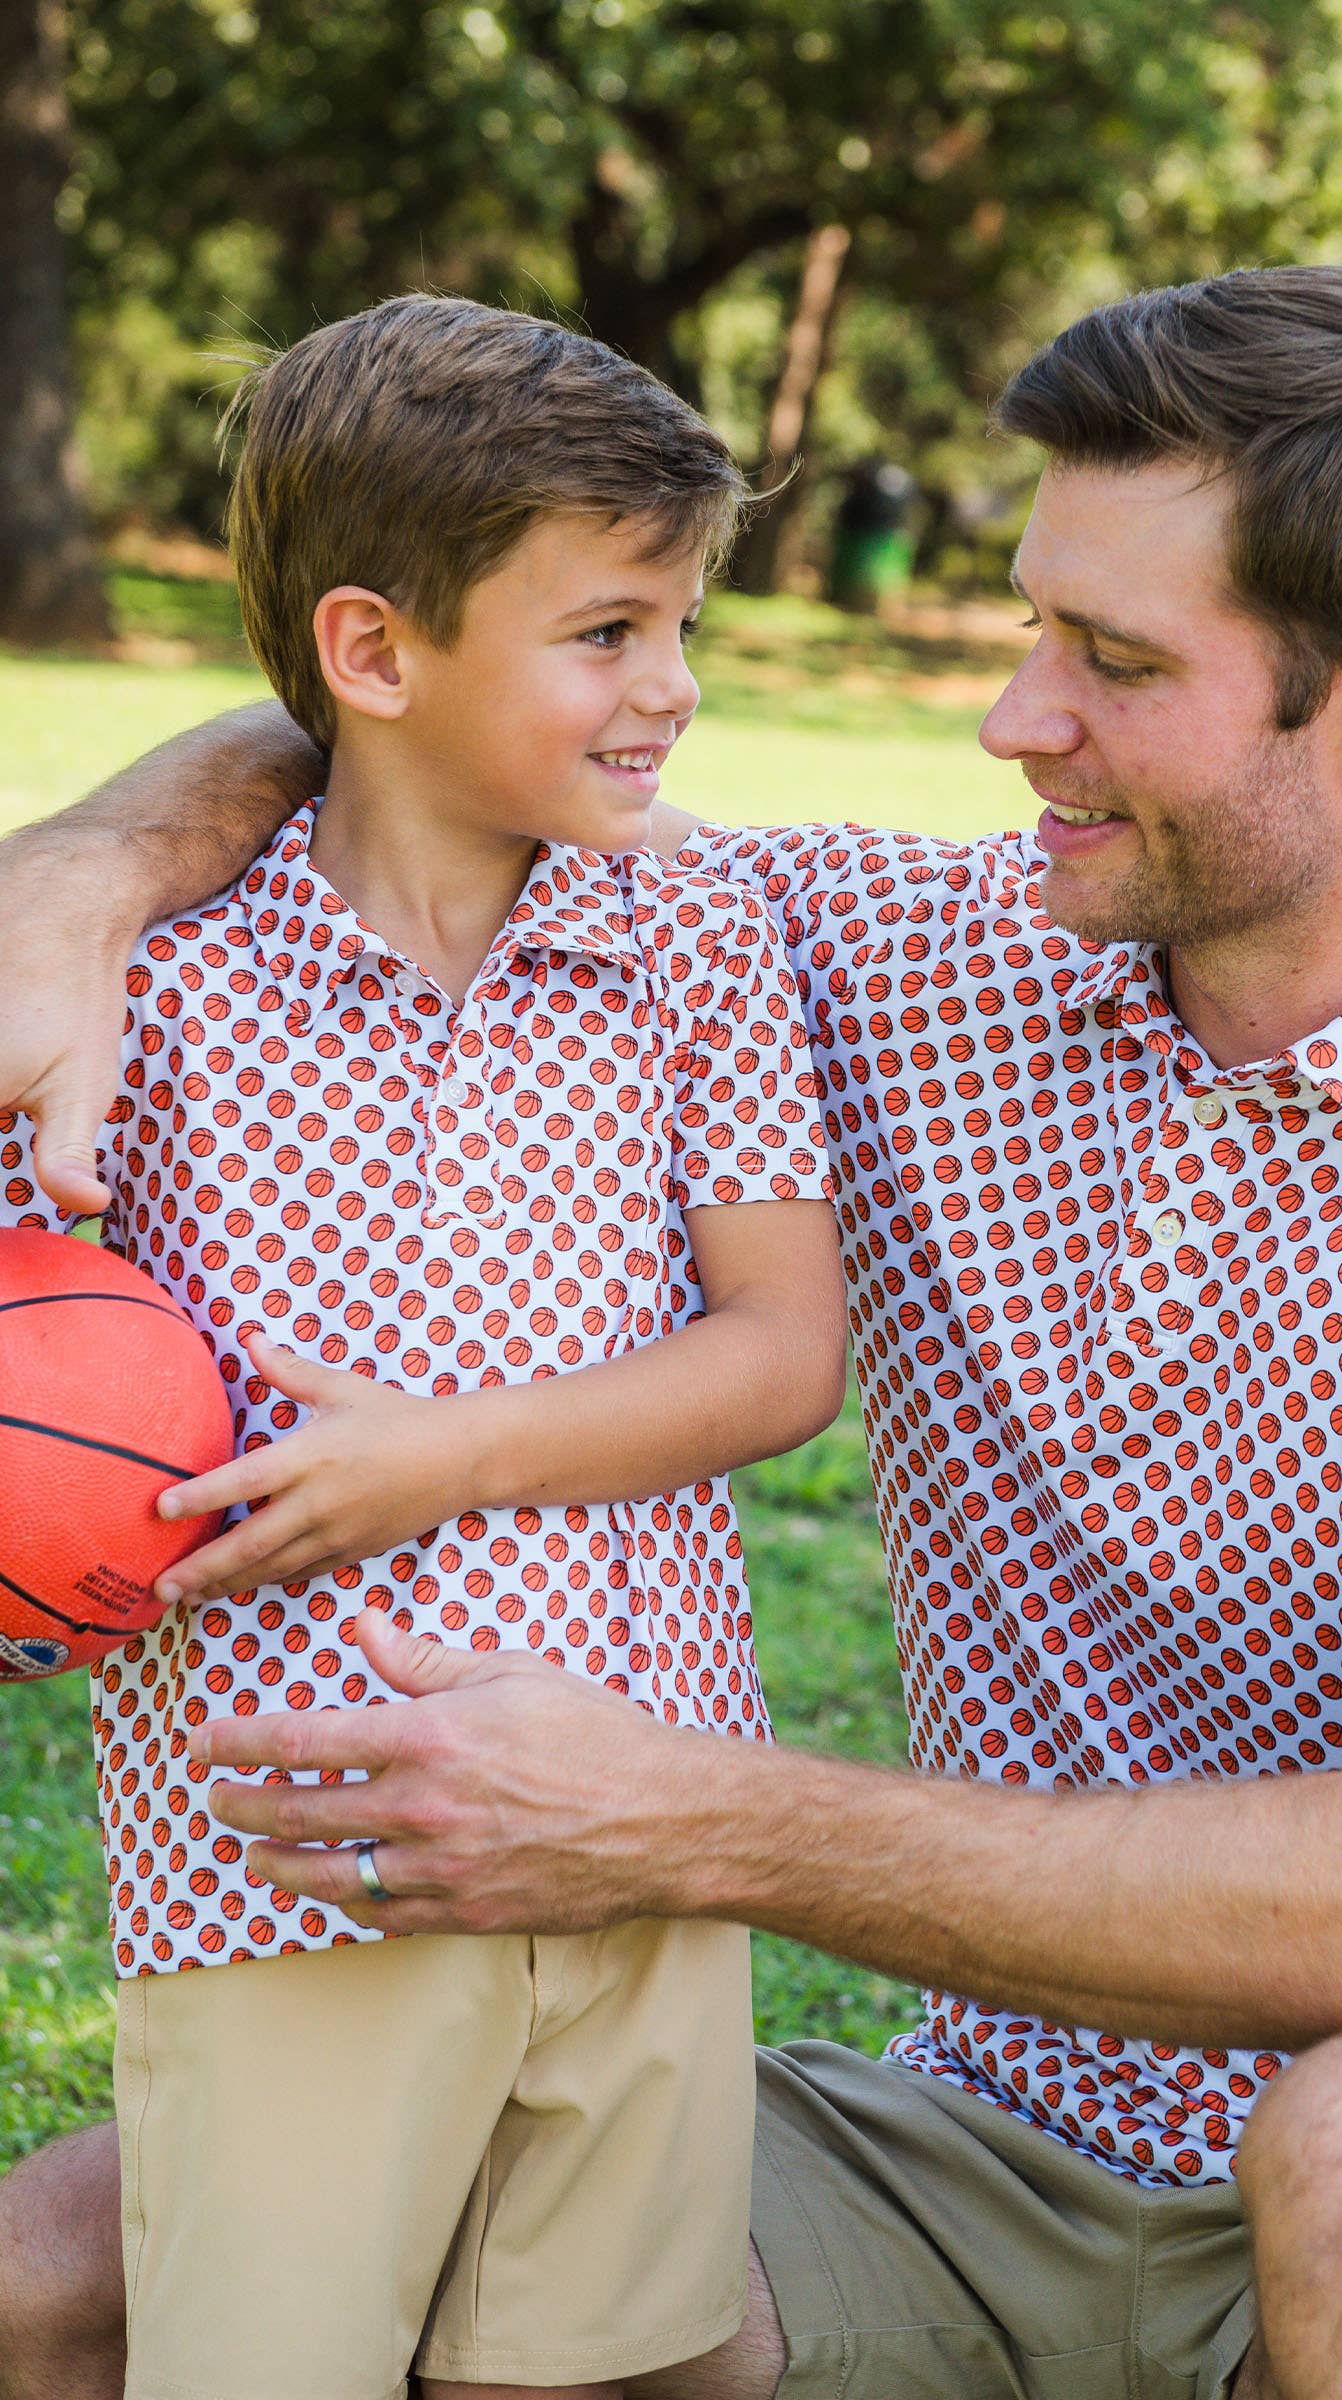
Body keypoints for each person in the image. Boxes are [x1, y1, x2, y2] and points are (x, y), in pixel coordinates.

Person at [0, 263, 1342, 2400]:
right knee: (77, 2268)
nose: (1013, 716)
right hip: (962, 2157)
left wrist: (691, 1812)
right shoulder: (890, 955)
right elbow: (428, 716)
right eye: (1036, 625)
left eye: (1111, 660)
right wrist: (82, 867)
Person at [0, 294, 848, 2400]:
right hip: (286, 1868)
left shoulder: (693, 942)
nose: (677, 687)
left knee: (586, 2371)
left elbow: (778, 1358)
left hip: (640, 1832)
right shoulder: (161, 991)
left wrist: (435, 1459)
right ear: (375, 654)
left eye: (682, 624)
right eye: (610, 633)